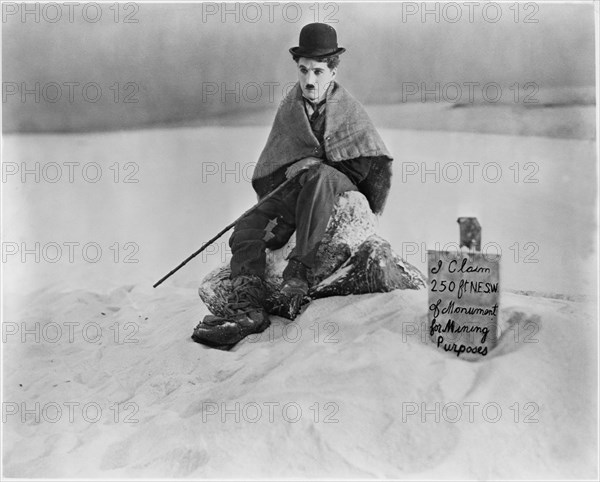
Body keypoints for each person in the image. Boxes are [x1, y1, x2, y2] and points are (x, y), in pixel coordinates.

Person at [193, 23, 393, 349]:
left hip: (338, 184)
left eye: (317, 71)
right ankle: (248, 307)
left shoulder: (349, 110)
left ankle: (298, 274)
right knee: (248, 224)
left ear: (332, 70)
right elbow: (278, 161)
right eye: (303, 70)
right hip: (299, 186)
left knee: (318, 178)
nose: (309, 80)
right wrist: (295, 170)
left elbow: (361, 164)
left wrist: (316, 164)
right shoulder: (292, 106)